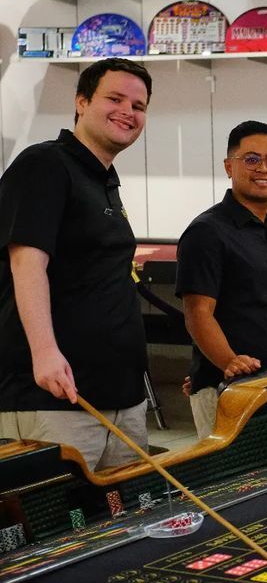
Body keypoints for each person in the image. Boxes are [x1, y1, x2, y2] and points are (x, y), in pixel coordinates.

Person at [0, 58, 152, 470]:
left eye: (138, 106)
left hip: (121, 399)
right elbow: (26, 264)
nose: (128, 112)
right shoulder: (44, 165)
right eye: (115, 98)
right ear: (81, 102)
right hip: (57, 398)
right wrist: (45, 352)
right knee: (63, 530)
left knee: (121, 525)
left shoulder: (105, 179)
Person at [176, 121, 267, 440]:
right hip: (226, 388)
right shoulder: (207, 232)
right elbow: (197, 313)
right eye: (251, 159)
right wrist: (228, 361)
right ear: (229, 167)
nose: (264, 169)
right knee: (231, 488)